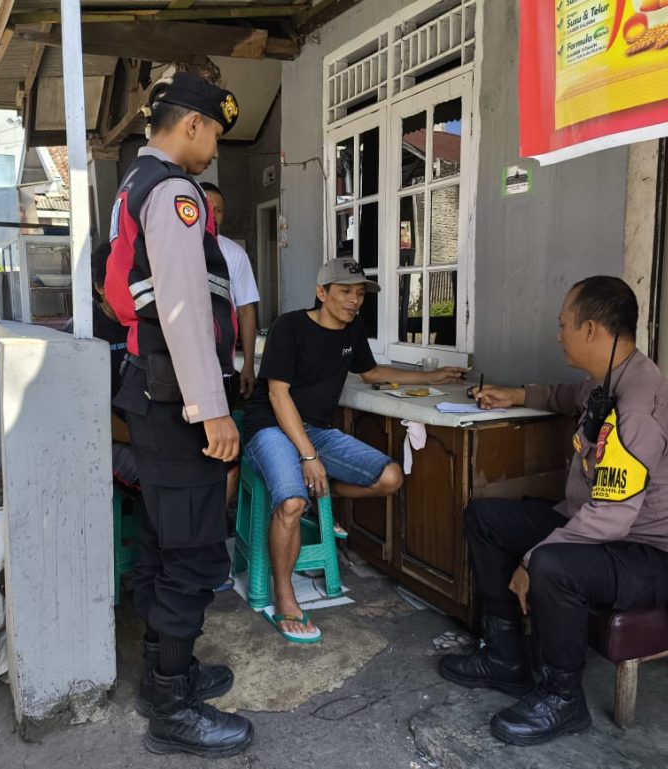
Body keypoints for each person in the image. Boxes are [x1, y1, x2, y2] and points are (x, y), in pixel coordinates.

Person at [441, 276, 668, 746]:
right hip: (614, 532)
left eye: (564, 326)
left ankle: (563, 699)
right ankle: (505, 658)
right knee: (486, 518)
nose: (558, 335)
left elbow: (611, 518)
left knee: (552, 563)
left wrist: (530, 560)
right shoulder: (608, 381)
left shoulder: (640, 406)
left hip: (663, 556)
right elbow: (567, 397)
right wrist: (515, 394)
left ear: (593, 330)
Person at [104, 72, 252, 758]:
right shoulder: (173, 192)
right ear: (190, 123)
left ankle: (171, 671)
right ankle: (170, 703)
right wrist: (213, 409)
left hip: (153, 393)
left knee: (166, 541)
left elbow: (122, 299)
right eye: (216, 132)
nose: (215, 147)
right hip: (178, 401)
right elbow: (186, 311)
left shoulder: (132, 188)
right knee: (192, 550)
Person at [243, 257, 466, 643]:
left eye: (359, 293)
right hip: (272, 426)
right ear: (321, 293)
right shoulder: (289, 327)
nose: (354, 300)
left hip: (317, 431)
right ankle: (285, 596)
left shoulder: (352, 330)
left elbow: (372, 373)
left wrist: (431, 375)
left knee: (390, 477)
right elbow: (278, 396)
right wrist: (309, 456)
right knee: (291, 502)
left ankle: (309, 493)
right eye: (345, 292)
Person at [61, 241, 136, 488]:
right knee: (155, 477)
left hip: (144, 430)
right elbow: (89, 409)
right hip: (104, 438)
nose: (133, 288)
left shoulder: (143, 323)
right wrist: (139, 438)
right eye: (123, 279)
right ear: (100, 286)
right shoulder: (84, 329)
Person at [200, 182, 260, 401]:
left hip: (222, 365)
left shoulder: (234, 254)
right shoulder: (175, 249)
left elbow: (246, 309)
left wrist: (249, 364)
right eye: (206, 208)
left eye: (219, 210)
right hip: (183, 366)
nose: (213, 216)